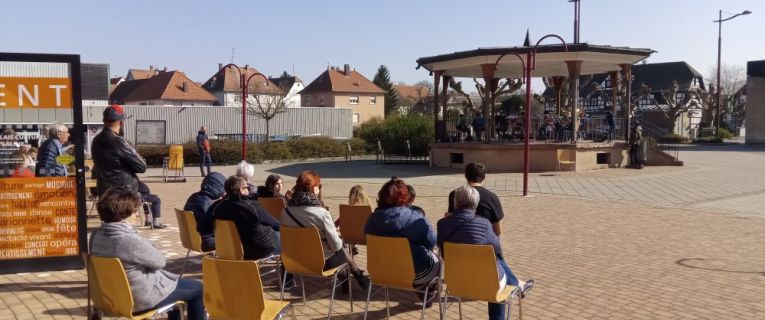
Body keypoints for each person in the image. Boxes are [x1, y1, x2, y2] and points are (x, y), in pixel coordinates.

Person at [89, 187, 205, 320]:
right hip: (140, 298)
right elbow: (160, 261)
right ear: (123, 215)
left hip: (111, 297)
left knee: (176, 289)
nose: (137, 215)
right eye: (134, 211)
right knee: (197, 289)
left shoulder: (96, 235)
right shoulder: (129, 240)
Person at [438, 185, 530, 320]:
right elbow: (497, 249)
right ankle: (516, 286)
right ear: (475, 203)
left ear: (455, 203)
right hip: (486, 282)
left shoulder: (442, 224)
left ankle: (517, 284)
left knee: (494, 263)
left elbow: (442, 250)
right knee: (495, 265)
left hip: (456, 280)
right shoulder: (484, 224)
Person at [280, 171, 370, 290]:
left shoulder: (285, 212)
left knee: (339, 252)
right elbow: (336, 246)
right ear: (313, 189)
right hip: (321, 263)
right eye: (319, 186)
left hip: (295, 260)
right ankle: (357, 276)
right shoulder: (322, 214)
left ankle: (355, 277)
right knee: (341, 250)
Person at [365, 177, 440, 305]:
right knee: (437, 259)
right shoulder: (415, 218)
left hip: (381, 271)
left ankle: (422, 289)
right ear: (405, 197)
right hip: (415, 273)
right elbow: (431, 243)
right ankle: (428, 292)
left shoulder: (371, 219)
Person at [208, 176, 281, 261]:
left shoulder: (218, 207)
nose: (249, 190)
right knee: (288, 237)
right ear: (241, 190)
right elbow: (276, 225)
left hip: (235, 249)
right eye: (247, 188)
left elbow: (204, 225)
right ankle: (288, 273)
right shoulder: (252, 206)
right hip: (259, 249)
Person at [91, 104, 146, 195]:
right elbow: (142, 166)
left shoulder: (96, 140)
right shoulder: (119, 141)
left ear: (104, 121)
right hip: (123, 195)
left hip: (104, 192)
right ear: (121, 122)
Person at [448, 162, 505, 236]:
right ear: (483, 177)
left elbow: (450, 220)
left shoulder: (455, 194)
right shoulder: (492, 197)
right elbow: (498, 231)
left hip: (458, 239)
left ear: (466, 176)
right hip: (484, 242)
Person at [185, 172, 226, 252]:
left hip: (191, 238)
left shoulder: (194, 196)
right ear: (217, 188)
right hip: (206, 242)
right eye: (222, 188)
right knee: (235, 239)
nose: (223, 192)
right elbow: (216, 225)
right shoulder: (206, 204)